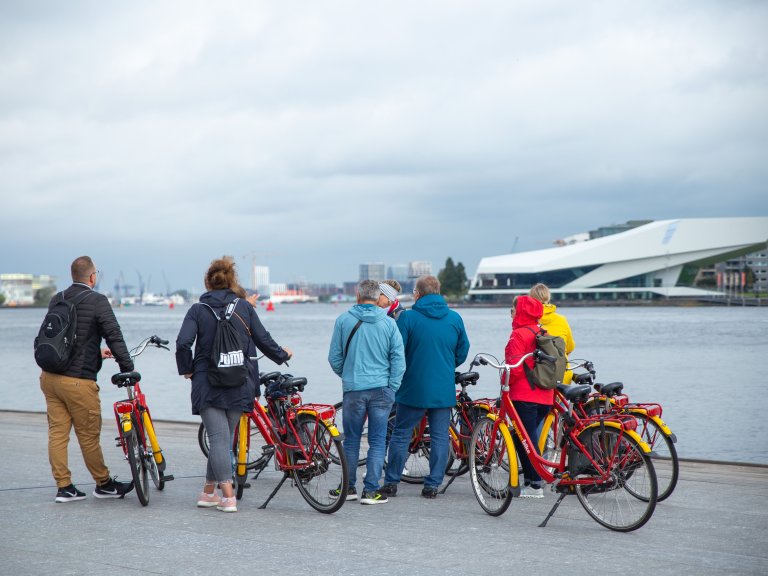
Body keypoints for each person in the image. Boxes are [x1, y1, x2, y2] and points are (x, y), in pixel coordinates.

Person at [176, 257, 292, 513]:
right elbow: (263, 339)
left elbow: (183, 343)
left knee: (219, 439)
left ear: (208, 282)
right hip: (239, 379)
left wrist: (187, 369)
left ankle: (225, 496)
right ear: (232, 282)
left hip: (207, 380)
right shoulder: (244, 307)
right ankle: (211, 491)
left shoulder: (197, 310)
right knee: (223, 440)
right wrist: (282, 355)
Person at [39, 256, 136, 502]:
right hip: (78, 381)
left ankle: (64, 487)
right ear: (92, 276)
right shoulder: (97, 301)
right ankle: (103, 483)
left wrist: (96, 351)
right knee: (88, 435)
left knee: (58, 433)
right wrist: (127, 367)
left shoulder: (57, 298)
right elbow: (114, 335)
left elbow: (65, 338)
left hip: (50, 377)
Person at [381, 275, 470, 499]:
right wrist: (446, 364)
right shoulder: (454, 318)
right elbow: (462, 350)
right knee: (441, 436)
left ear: (417, 294)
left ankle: (391, 482)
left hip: (413, 386)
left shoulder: (408, 318)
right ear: (438, 291)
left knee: (401, 434)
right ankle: (432, 485)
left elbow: (397, 352)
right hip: (443, 386)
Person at [328, 279, 405, 505]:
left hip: (353, 390)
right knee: (378, 441)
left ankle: (348, 486)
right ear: (377, 296)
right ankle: (371, 491)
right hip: (382, 390)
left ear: (358, 295)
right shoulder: (390, 324)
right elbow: (398, 360)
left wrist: (349, 375)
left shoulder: (343, 320)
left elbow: (334, 358)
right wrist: (393, 386)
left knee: (351, 441)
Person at [505, 294, 549, 498]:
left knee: (527, 440)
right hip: (545, 396)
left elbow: (514, 368)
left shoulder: (518, 335)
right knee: (522, 437)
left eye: (513, 309)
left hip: (524, 396)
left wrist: (503, 383)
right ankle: (531, 480)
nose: (511, 313)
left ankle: (536, 485)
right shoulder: (541, 332)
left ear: (520, 311)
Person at [528, 283, 575, 384]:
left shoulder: (529, 320)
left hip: (541, 376)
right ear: (548, 298)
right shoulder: (562, 320)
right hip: (563, 372)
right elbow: (570, 347)